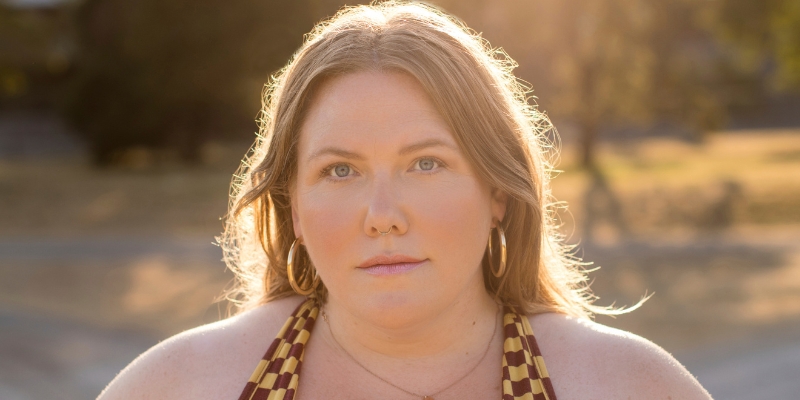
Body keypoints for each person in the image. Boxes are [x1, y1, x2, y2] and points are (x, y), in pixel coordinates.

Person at [98, 2, 711, 399]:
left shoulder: (624, 385)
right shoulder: (183, 385)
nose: (383, 216)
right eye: (340, 170)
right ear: (294, 207)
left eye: (426, 164)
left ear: (498, 191)